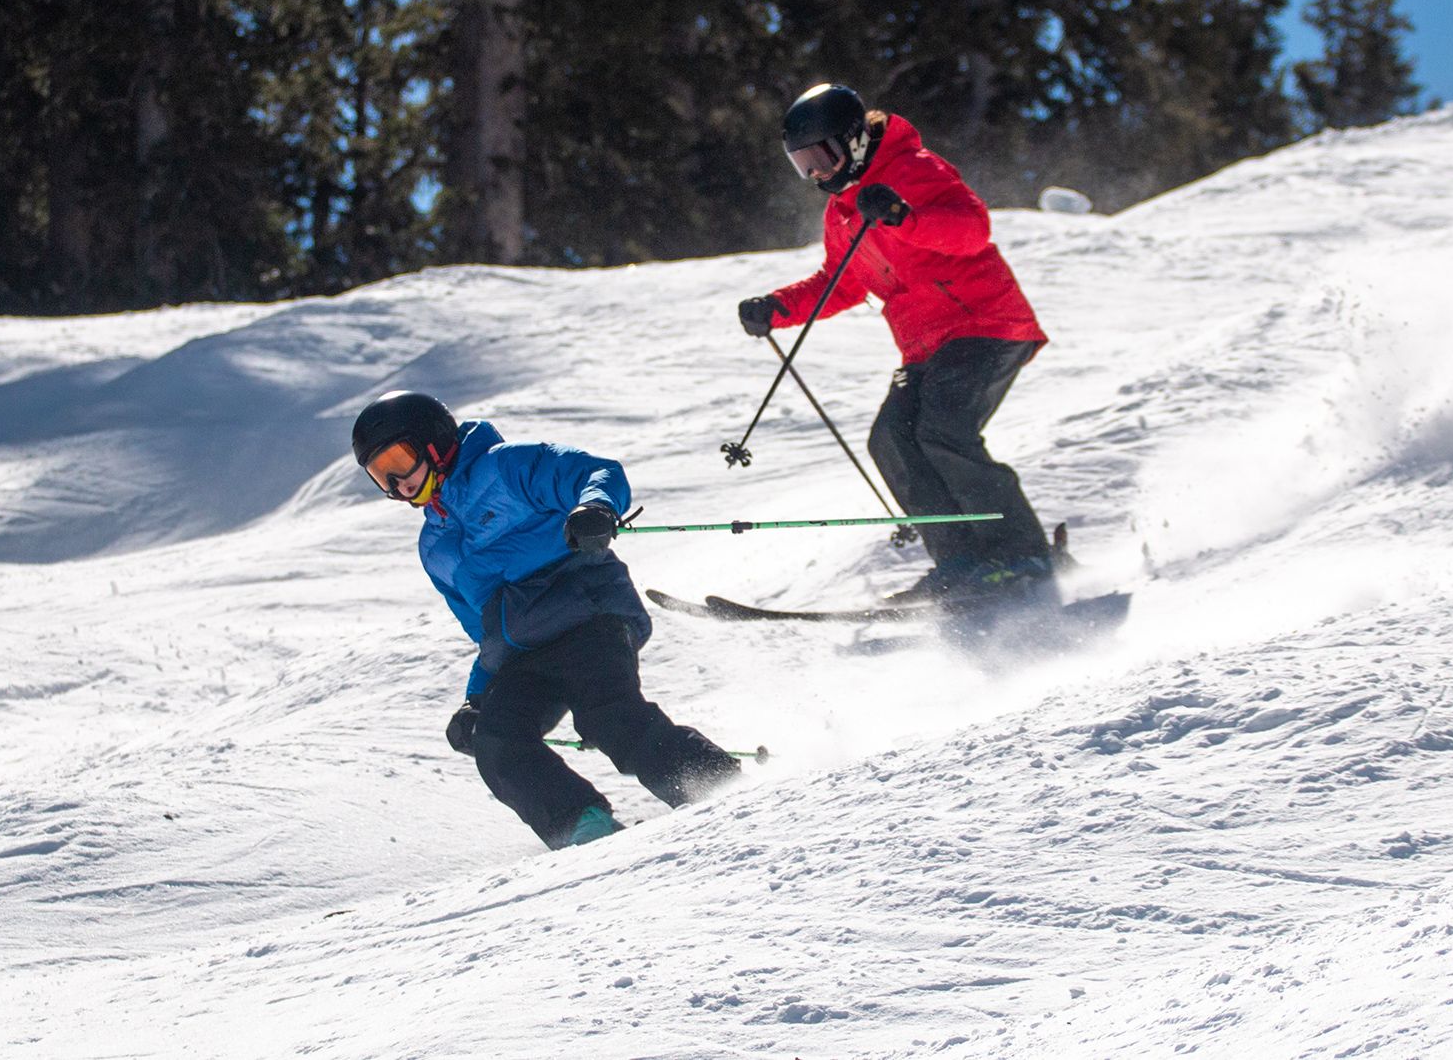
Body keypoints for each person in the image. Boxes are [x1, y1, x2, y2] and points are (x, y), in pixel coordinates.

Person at [351, 391, 743, 850]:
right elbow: (484, 629)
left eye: (400, 460)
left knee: (607, 717)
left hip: (588, 615)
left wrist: (596, 508)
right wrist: (477, 699)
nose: (396, 483)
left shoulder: (504, 467)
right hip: (525, 654)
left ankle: (722, 791)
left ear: (435, 442)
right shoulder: (435, 547)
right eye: (381, 475)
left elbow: (596, 471)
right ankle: (584, 830)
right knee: (497, 743)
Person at [739, 83, 1054, 606]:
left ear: (855, 140)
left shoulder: (915, 169)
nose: (817, 173)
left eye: (822, 157)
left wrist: (905, 217)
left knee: (944, 429)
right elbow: (842, 280)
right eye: (803, 165)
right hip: (925, 345)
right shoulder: (841, 209)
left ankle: (1024, 555)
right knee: (892, 438)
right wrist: (777, 306)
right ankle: (961, 564)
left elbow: (973, 230)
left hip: (985, 324)